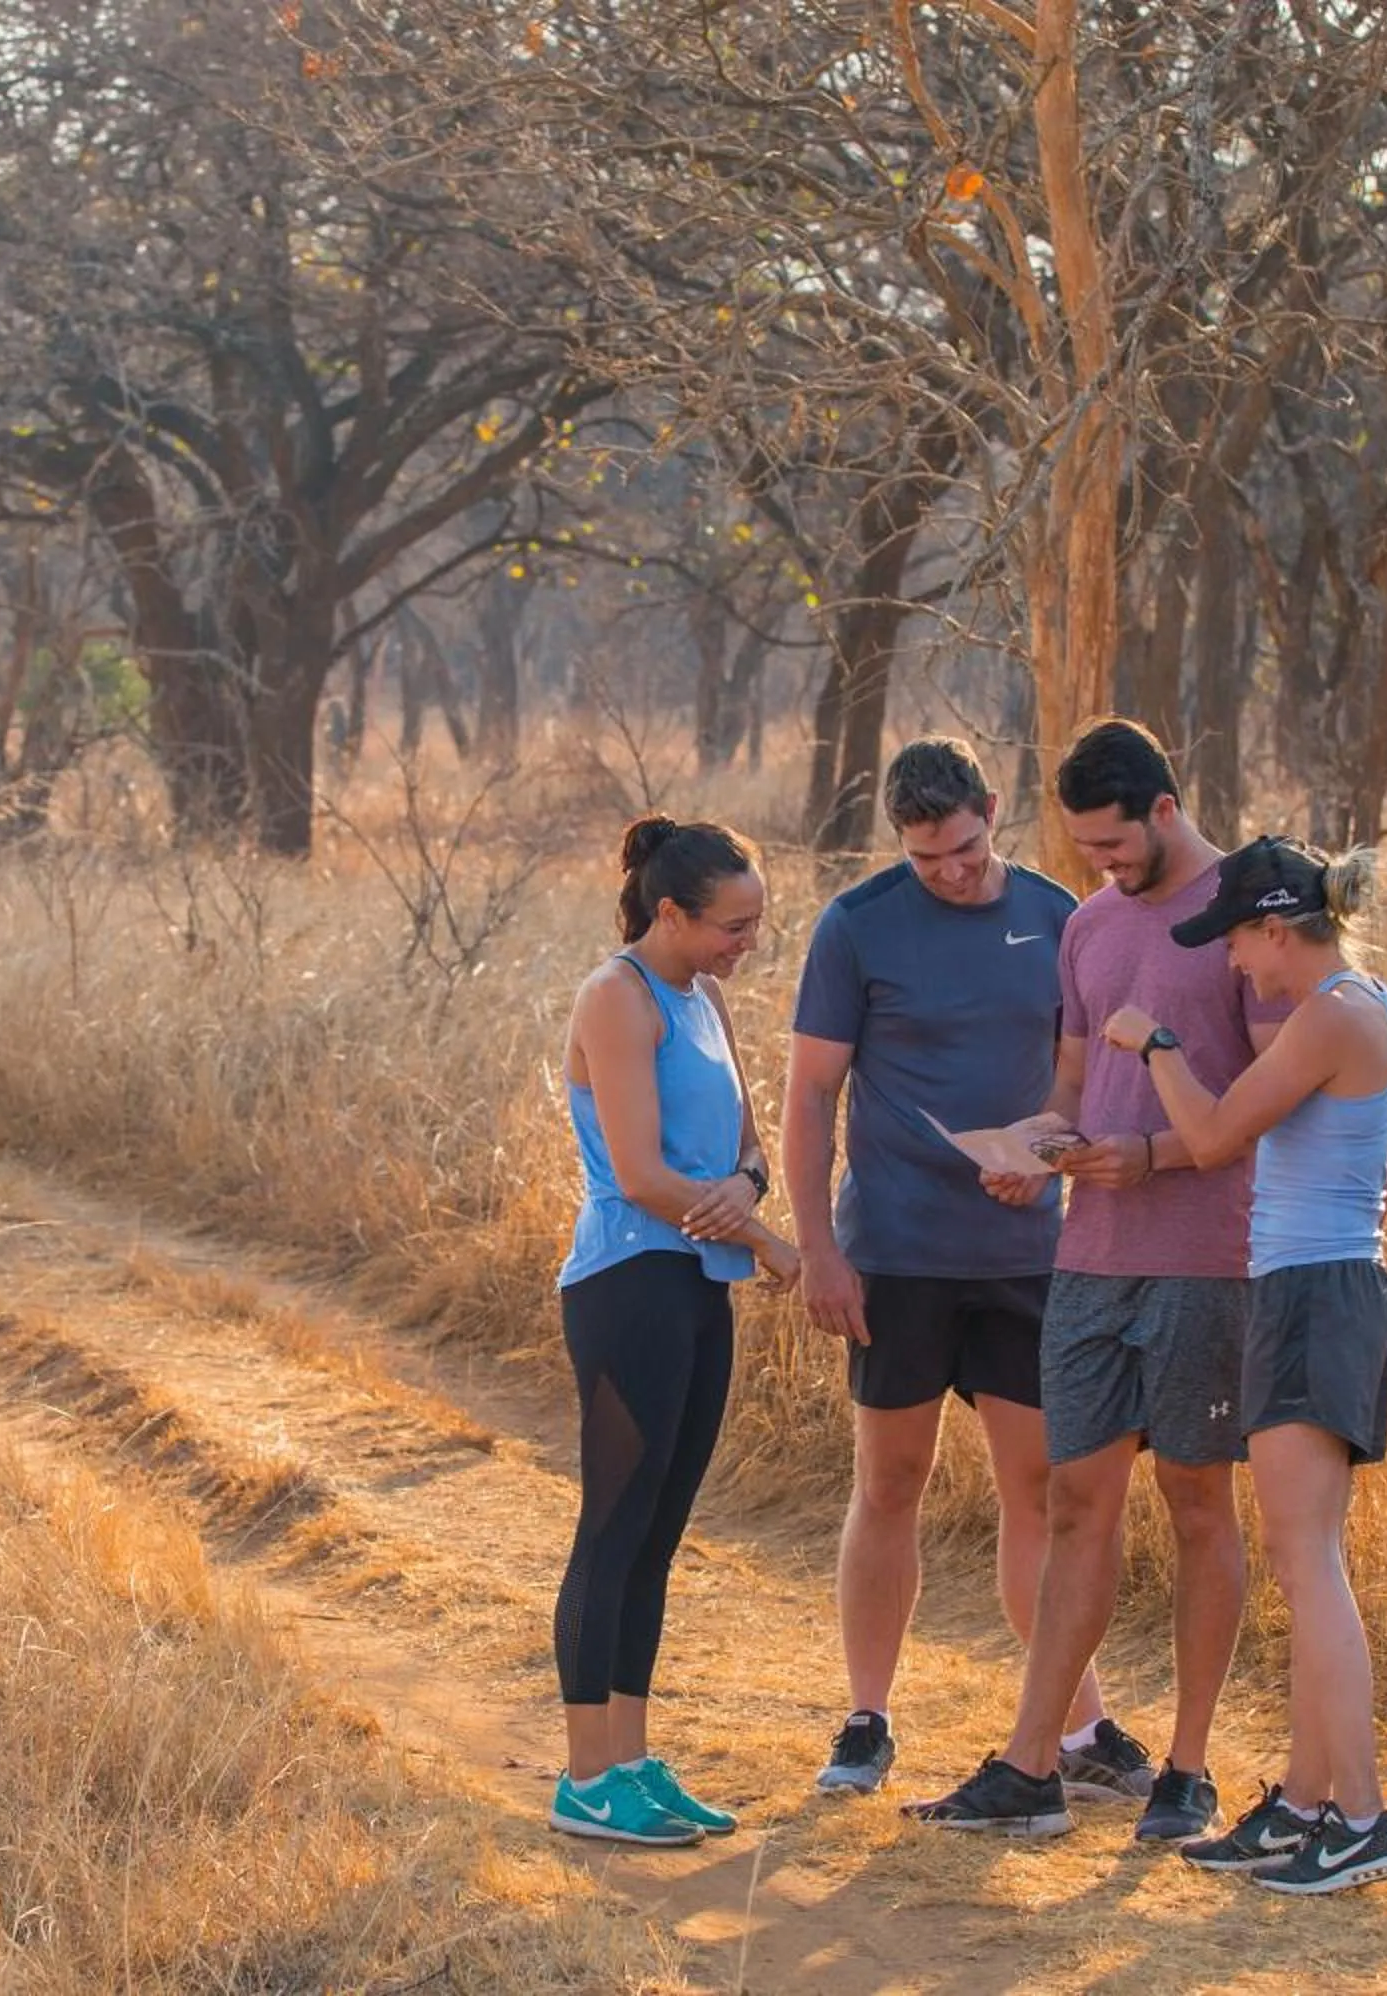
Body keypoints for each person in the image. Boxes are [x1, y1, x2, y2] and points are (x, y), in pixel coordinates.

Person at [903, 719, 1287, 1842]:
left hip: (1205, 1258)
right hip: (1090, 1259)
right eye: (1083, 849)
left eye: (1116, 845)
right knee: (1075, 1505)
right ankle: (1032, 1766)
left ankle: (1189, 1769)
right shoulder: (1089, 926)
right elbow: (1075, 1080)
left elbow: (1277, 1104)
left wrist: (1157, 1157)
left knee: (1200, 1502)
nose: (1102, 869)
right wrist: (1036, 1151)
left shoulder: (1246, 912)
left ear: (1167, 809)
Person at [783, 737, 1126, 1799]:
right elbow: (810, 1098)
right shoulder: (858, 925)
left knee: (1041, 1490)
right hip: (895, 1253)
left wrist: (1046, 1153)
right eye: (929, 859)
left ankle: (1077, 1730)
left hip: (1026, 1252)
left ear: (993, 808)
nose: (953, 872)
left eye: (967, 849)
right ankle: (867, 1717)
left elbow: (1080, 1076)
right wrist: (820, 1252)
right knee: (891, 1481)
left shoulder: (1058, 918)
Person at [1100, 835, 1387, 1894]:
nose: (1236, 963)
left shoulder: (1331, 1010)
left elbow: (1216, 1133)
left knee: (1307, 1564)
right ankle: (1302, 1802)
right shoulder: (1367, 1005)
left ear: (1279, 926)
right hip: (1329, 1287)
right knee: (1307, 1557)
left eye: (1238, 939)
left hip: (1312, 1292)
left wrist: (1155, 1045)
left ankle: (1363, 1818)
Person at [547, 815, 800, 1847]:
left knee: (658, 1529)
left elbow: (747, 1150)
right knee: (611, 1524)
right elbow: (645, 1177)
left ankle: (634, 1762)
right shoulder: (616, 996)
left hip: (699, 1279)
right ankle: (582, 1778)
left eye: (754, 924)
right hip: (627, 1282)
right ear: (670, 913)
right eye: (733, 927)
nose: (747, 944)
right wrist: (774, 1242)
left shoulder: (705, 1003)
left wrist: (741, 1194)